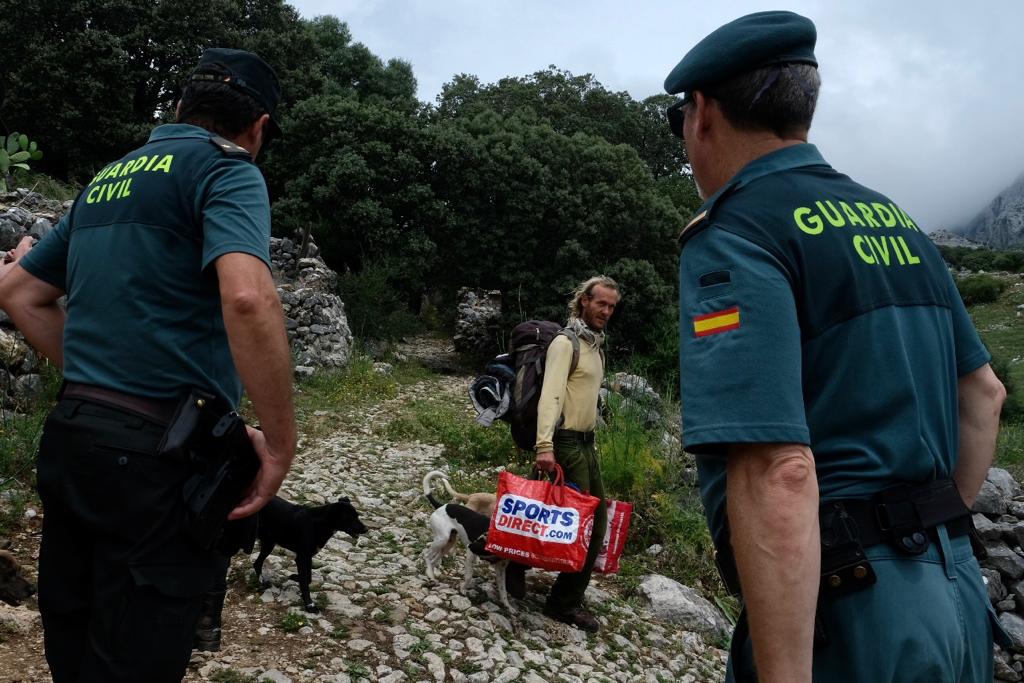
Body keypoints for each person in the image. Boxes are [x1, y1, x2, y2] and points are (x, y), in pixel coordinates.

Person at [664, 11, 1008, 682]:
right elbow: (984, 397)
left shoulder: (738, 235)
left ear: (701, 113)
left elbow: (777, 469)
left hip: (850, 613)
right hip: (959, 601)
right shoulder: (899, 225)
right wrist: (925, 543)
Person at [0, 48, 296, 682]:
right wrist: (279, 442)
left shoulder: (106, 180)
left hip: (73, 437)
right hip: (161, 462)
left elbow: (19, 293)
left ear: (181, 107)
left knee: (74, 648)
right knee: (137, 656)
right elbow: (247, 297)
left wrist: (100, 375)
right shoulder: (229, 171)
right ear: (258, 127)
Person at [506, 275, 620, 632]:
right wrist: (544, 446)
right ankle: (561, 601)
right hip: (565, 442)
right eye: (601, 303)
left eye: (612, 306)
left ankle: (520, 569)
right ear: (584, 301)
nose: (606, 311)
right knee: (583, 522)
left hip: (586, 442)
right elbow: (551, 396)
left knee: (567, 516)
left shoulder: (595, 345)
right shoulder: (565, 344)